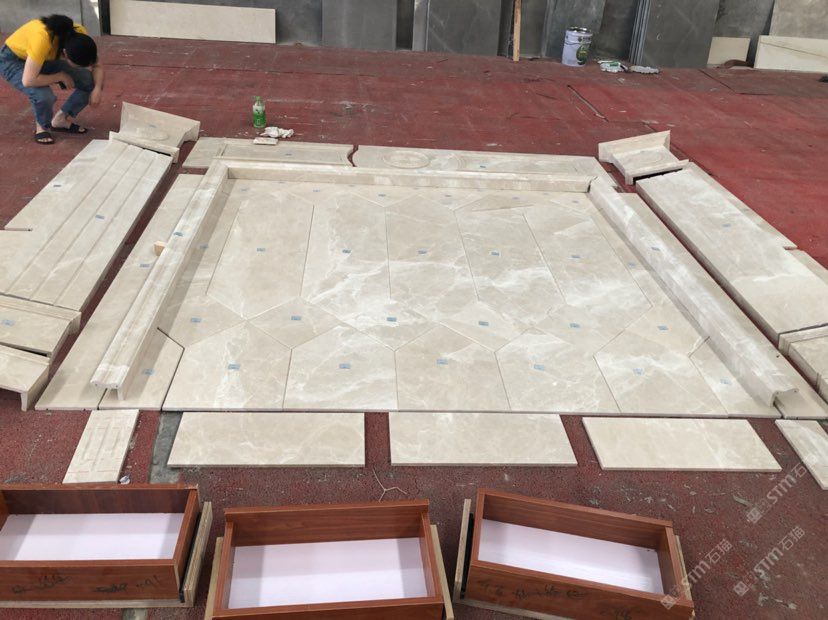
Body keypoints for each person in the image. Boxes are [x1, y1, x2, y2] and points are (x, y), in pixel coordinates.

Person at [0, 14, 104, 145]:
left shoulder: (79, 35)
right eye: (78, 65)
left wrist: (97, 89)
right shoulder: (42, 39)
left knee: (89, 80)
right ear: (65, 54)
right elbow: (28, 80)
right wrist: (60, 76)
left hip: (43, 57)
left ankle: (60, 120)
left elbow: (97, 65)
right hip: (13, 59)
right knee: (44, 95)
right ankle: (42, 127)